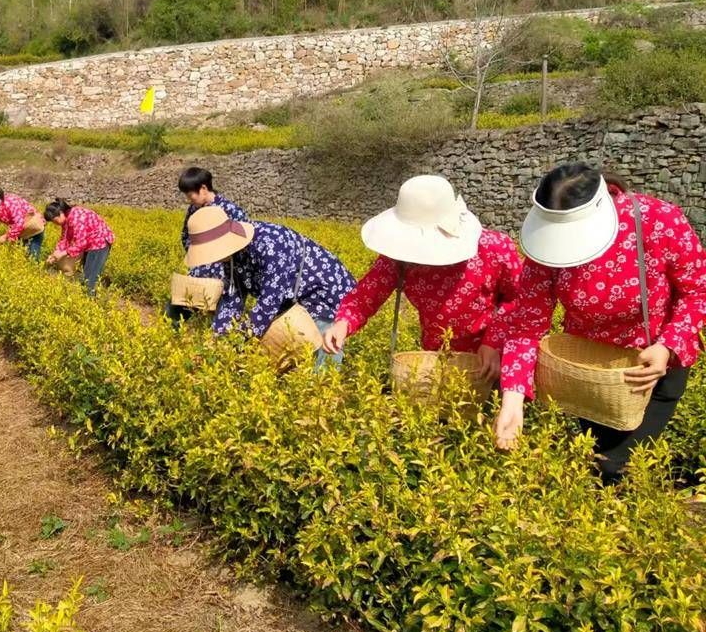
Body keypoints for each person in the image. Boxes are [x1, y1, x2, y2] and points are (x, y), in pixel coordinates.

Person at [492, 163, 706, 482]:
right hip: (589, 374)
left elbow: (697, 289)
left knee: (615, 466)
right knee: (595, 458)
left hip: (651, 369)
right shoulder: (546, 242)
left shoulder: (658, 221)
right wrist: (512, 400)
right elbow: (527, 324)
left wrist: (668, 345)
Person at [322, 175, 521, 379]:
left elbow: (518, 299)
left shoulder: (493, 249)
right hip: (434, 358)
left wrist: (493, 342)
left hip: (493, 358)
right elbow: (366, 295)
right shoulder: (401, 256)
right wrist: (343, 323)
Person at [185, 205, 355, 366]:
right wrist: (218, 337)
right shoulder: (230, 256)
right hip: (293, 297)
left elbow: (269, 304)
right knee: (294, 352)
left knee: (325, 344)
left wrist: (237, 340)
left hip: (323, 292)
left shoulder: (271, 243)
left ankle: (324, 384)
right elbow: (232, 299)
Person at [169, 167, 250, 322]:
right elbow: (186, 235)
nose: (188, 199)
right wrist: (197, 256)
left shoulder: (230, 210)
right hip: (199, 272)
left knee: (220, 320)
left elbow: (244, 240)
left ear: (203, 189)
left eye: (190, 195)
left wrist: (224, 261)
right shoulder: (193, 209)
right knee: (177, 311)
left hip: (225, 276)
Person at [43, 199, 115, 296]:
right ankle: (88, 296)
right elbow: (64, 239)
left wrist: (63, 253)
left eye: (55, 221)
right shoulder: (66, 218)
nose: (56, 224)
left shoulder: (76, 217)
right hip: (90, 245)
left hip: (100, 242)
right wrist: (54, 254)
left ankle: (92, 301)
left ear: (60, 213)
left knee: (90, 279)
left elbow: (81, 243)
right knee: (86, 275)